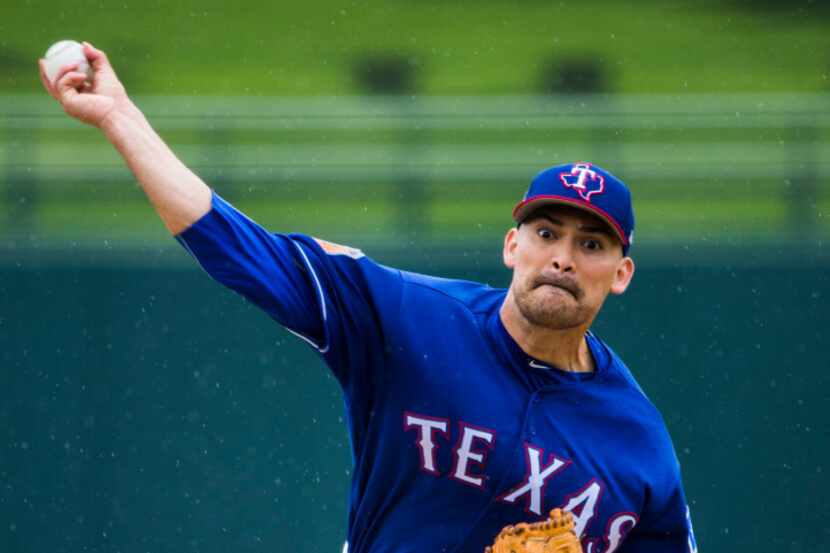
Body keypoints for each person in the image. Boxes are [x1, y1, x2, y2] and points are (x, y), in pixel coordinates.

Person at [40, 43, 698, 553]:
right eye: (547, 232)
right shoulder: (409, 318)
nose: (561, 257)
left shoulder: (638, 445)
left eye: (591, 244)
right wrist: (120, 117)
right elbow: (235, 244)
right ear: (510, 246)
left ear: (622, 273)